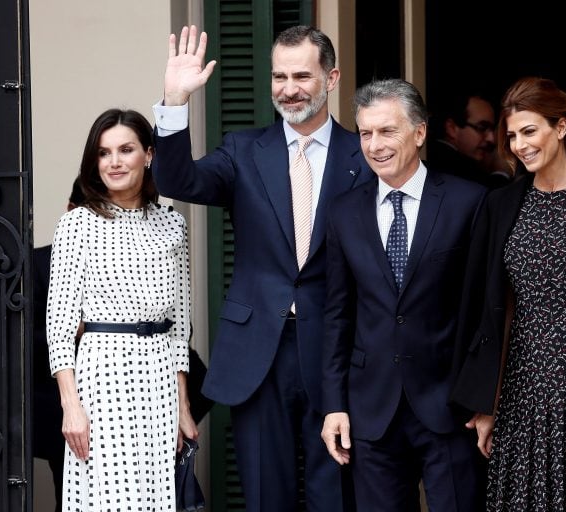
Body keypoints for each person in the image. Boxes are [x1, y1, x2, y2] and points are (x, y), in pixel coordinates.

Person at [152, 25, 373, 511]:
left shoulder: (365, 156)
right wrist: (174, 100)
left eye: (301, 75)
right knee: (264, 497)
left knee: (334, 494)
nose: (288, 88)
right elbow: (176, 179)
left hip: (338, 352)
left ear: (331, 78)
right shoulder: (242, 150)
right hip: (257, 355)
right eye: (278, 76)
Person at [449, 76, 566, 511]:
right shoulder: (499, 205)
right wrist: (486, 403)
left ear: (560, 127)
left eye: (529, 131)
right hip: (520, 388)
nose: (519, 145)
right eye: (512, 135)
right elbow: (486, 309)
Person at [321, 78, 486, 511]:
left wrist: (483, 399)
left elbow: (484, 313)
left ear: (419, 132)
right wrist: (334, 405)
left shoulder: (468, 202)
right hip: (370, 411)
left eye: (387, 131)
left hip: (450, 409)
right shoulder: (343, 212)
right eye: (366, 132)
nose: (374, 145)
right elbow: (338, 315)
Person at [46, 108, 197, 511]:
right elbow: (59, 328)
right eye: (103, 153)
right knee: (111, 498)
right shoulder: (78, 224)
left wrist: (182, 406)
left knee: (158, 496)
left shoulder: (173, 224)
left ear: (148, 155)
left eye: (125, 149)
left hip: (160, 377)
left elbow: (181, 327)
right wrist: (71, 407)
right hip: (102, 377)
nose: (113, 161)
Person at [32, 178, 84, 512]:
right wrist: (72, 332)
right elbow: (18, 340)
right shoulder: (37, 264)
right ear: (69, 213)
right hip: (56, 406)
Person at [427, 91, 512, 188]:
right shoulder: (456, 168)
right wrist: (501, 173)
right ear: (451, 128)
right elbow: (490, 201)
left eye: (492, 129)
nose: (491, 139)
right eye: (482, 128)